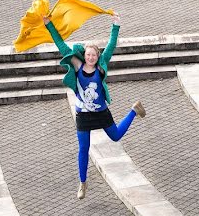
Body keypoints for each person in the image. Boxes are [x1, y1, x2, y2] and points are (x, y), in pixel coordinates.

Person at [42, 12, 146, 199]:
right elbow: (61, 46)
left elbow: (112, 45)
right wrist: (49, 25)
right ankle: (82, 183)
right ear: (84, 55)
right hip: (83, 114)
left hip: (101, 112)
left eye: (93, 55)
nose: (90, 58)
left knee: (115, 136)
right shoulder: (76, 64)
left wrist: (115, 26)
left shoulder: (101, 65)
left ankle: (133, 110)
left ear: (97, 56)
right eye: (88, 55)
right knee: (83, 148)